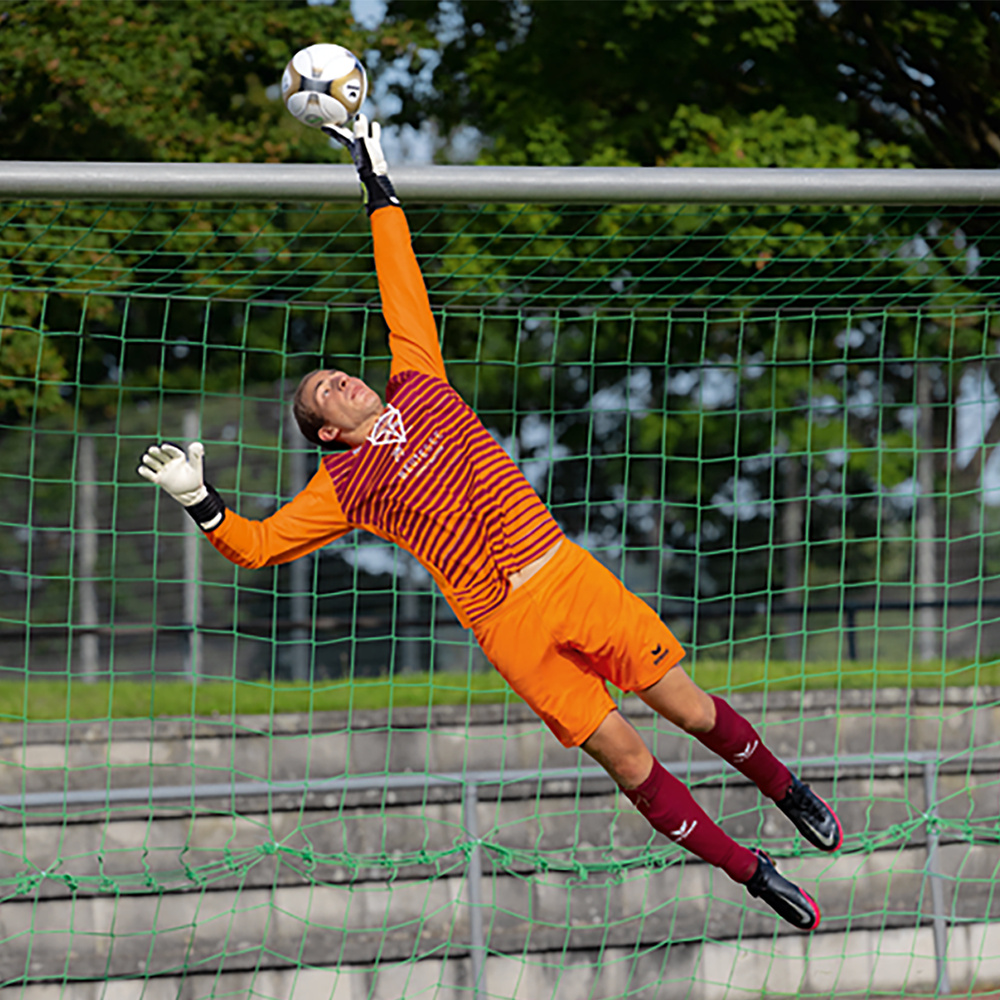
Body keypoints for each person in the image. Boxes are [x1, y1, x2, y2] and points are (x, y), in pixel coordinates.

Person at [138, 115, 842, 932]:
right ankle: (751, 872)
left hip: (565, 573)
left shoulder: (420, 382)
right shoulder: (344, 486)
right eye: (325, 390)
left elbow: (399, 282)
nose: (341, 379)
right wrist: (201, 498)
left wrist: (376, 182)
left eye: (339, 372)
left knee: (686, 706)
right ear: (324, 430)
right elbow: (256, 547)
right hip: (505, 625)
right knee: (625, 757)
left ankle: (784, 787)